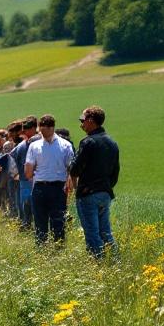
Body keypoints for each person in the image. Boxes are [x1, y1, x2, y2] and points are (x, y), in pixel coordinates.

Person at [67, 105, 119, 259]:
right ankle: (115, 262)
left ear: (90, 120)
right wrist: (106, 187)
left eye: (82, 120)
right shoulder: (112, 143)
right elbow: (115, 172)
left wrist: (71, 163)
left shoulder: (88, 142)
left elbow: (74, 170)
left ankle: (99, 265)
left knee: (92, 234)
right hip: (105, 193)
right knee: (106, 232)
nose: (81, 124)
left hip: (88, 194)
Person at [24, 113, 75, 245]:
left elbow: (71, 169)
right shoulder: (63, 145)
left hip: (57, 187)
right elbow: (28, 172)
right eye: (40, 129)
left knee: (55, 220)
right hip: (43, 187)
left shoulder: (65, 145)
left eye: (44, 129)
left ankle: (56, 247)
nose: (41, 132)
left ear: (52, 128)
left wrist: (70, 185)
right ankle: (43, 248)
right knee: (45, 220)